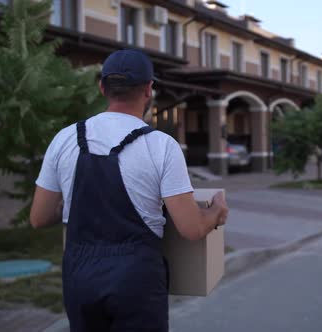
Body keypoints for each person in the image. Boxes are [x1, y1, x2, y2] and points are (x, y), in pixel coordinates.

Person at [29, 49, 228, 332]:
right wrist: (216, 212)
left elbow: (39, 218)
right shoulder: (161, 145)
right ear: (148, 90)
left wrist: (76, 203)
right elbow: (192, 228)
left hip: (80, 277)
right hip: (136, 278)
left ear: (102, 87)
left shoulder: (65, 138)